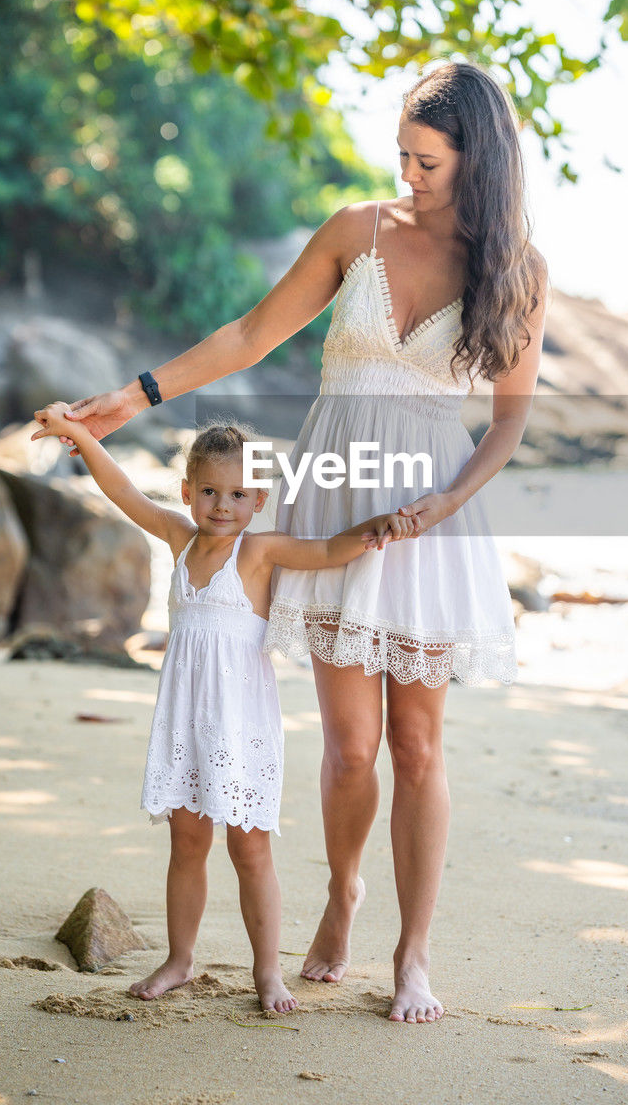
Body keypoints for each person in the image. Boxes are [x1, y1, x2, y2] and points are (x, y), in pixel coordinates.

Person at [32, 58, 549, 1023]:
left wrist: (446, 502)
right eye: (402, 154)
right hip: (327, 494)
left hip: (428, 513)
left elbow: (510, 423)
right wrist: (133, 397)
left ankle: (413, 955)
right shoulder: (358, 232)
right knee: (351, 749)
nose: (409, 174)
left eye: (428, 161)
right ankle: (342, 895)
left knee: (418, 746)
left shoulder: (512, 268)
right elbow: (249, 334)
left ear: (478, 158)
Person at [31, 405, 415, 1014]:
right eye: (208, 490)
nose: (221, 505)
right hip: (186, 724)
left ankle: (269, 974)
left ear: (257, 499)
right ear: (186, 493)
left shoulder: (257, 553)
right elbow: (123, 491)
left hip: (241, 728)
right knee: (187, 843)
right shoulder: (180, 541)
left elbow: (327, 550)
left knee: (250, 850)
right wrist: (79, 434)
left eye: (238, 493)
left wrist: (377, 528)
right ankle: (180, 960)